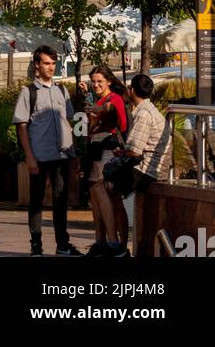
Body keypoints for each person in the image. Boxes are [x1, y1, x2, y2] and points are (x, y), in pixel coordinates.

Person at [13, 44, 81, 257]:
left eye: (54, 63)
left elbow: (69, 121)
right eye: (47, 63)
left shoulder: (62, 90)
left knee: (61, 201)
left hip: (61, 154)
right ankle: (36, 245)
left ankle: (62, 244)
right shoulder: (28, 92)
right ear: (36, 65)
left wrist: (75, 152)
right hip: (40, 155)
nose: (51, 67)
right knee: (36, 200)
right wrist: (29, 156)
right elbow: (21, 125)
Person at [81, 65, 129, 257]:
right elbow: (93, 125)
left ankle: (113, 242)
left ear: (109, 81)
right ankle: (101, 241)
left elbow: (114, 111)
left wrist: (99, 109)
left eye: (100, 81)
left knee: (105, 195)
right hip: (95, 151)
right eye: (94, 81)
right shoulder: (99, 99)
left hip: (107, 152)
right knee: (96, 197)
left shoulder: (113, 99)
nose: (96, 85)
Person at [122, 73, 172, 193]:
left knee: (106, 183)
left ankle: (117, 212)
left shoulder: (143, 114)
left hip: (149, 169)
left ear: (132, 90)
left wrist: (119, 153)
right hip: (157, 167)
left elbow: (134, 151)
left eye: (129, 87)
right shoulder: (150, 109)